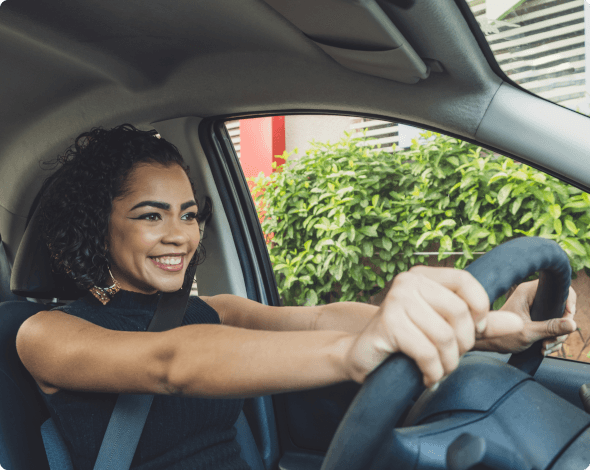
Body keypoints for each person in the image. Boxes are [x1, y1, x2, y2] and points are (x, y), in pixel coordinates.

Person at [15, 123, 577, 470]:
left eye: (189, 215)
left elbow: (320, 318)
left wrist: (473, 322)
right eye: (149, 216)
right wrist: (350, 355)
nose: (179, 236)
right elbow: (171, 364)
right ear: (97, 226)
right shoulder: (47, 335)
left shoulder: (217, 312)